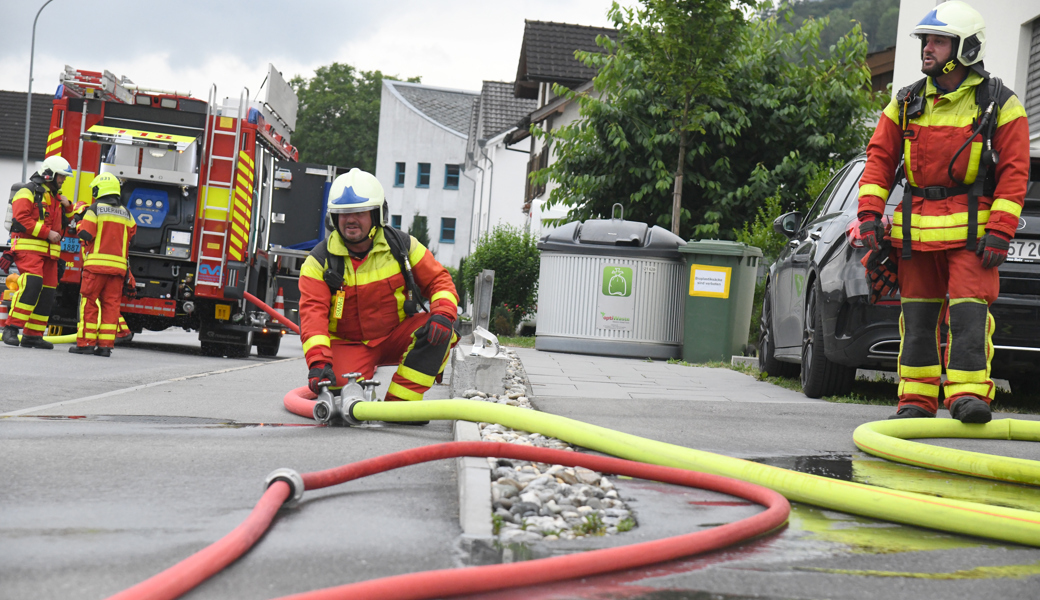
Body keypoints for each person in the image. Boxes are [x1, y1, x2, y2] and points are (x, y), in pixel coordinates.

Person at [857, 1, 1029, 423]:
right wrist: (868, 216)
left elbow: (1014, 172)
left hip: (972, 234)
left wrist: (1001, 230)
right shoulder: (906, 102)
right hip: (915, 234)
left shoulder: (1000, 103)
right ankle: (915, 400)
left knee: (969, 319)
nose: (927, 48)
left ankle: (969, 397)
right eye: (925, 41)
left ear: (966, 48)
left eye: (938, 41)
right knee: (916, 320)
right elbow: (878, 160)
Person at [298, 168, 459, 422]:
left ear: (377, 214)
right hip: (348, 344)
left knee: (440, 329)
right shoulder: (318, 263)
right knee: (341, 407)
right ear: (333, 218)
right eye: (344, 214)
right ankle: (358, 394)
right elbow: (312, 318)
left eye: (359, 213)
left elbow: (440, 281)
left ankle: (401, 407)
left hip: (397, 334)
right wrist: (318, 363)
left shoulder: (403, 247)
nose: (351, 220)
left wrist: (443, 313)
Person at [2, 155, 75, 349]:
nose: (63, 180)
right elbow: (22, 219)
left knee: (48, 292)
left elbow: (67, 224)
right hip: (29, 249)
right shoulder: (27, 191)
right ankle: (11, 328)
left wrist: (68, 207)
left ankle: (33, 335)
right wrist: (46, 232)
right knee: (32, 285)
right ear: (49, 174)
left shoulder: (56, 197)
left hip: (50, 255)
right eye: (61, 176)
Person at [69, 172, 136, 357]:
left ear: (100, 189)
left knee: (89, 303)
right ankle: (105, 346)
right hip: (118, 270)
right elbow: (132, 238)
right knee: (111, 306)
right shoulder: (127, 213)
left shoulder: (94, 209)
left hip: (96, 267)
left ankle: (86, 344)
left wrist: (79, 224)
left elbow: (86, 235)